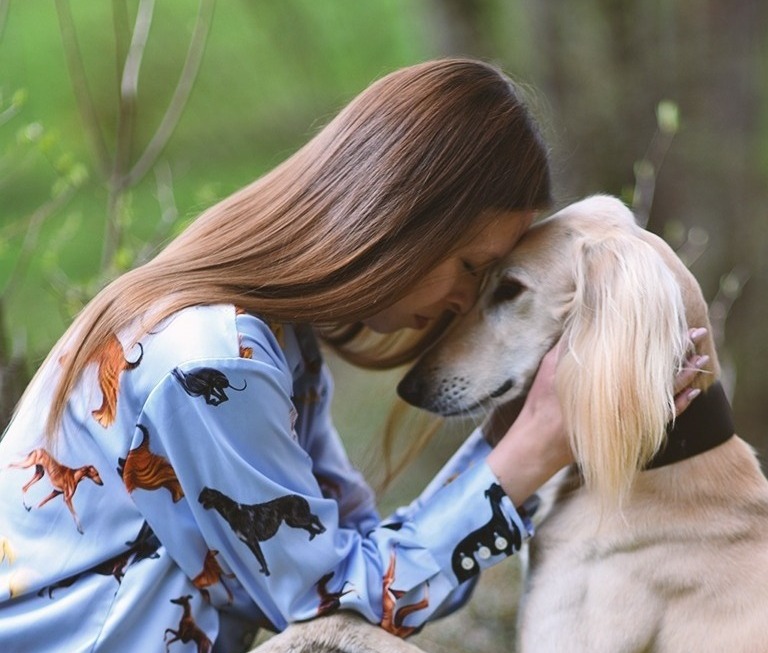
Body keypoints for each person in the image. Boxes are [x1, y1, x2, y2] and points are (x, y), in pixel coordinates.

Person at [0, 58, 701, 652]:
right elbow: (336, 608)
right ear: (403, 215)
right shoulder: (213, 359)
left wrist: (518, 430)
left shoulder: (273, 341)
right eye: (468, 265)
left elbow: (364, 560)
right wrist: (533, 449)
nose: (463, 302)